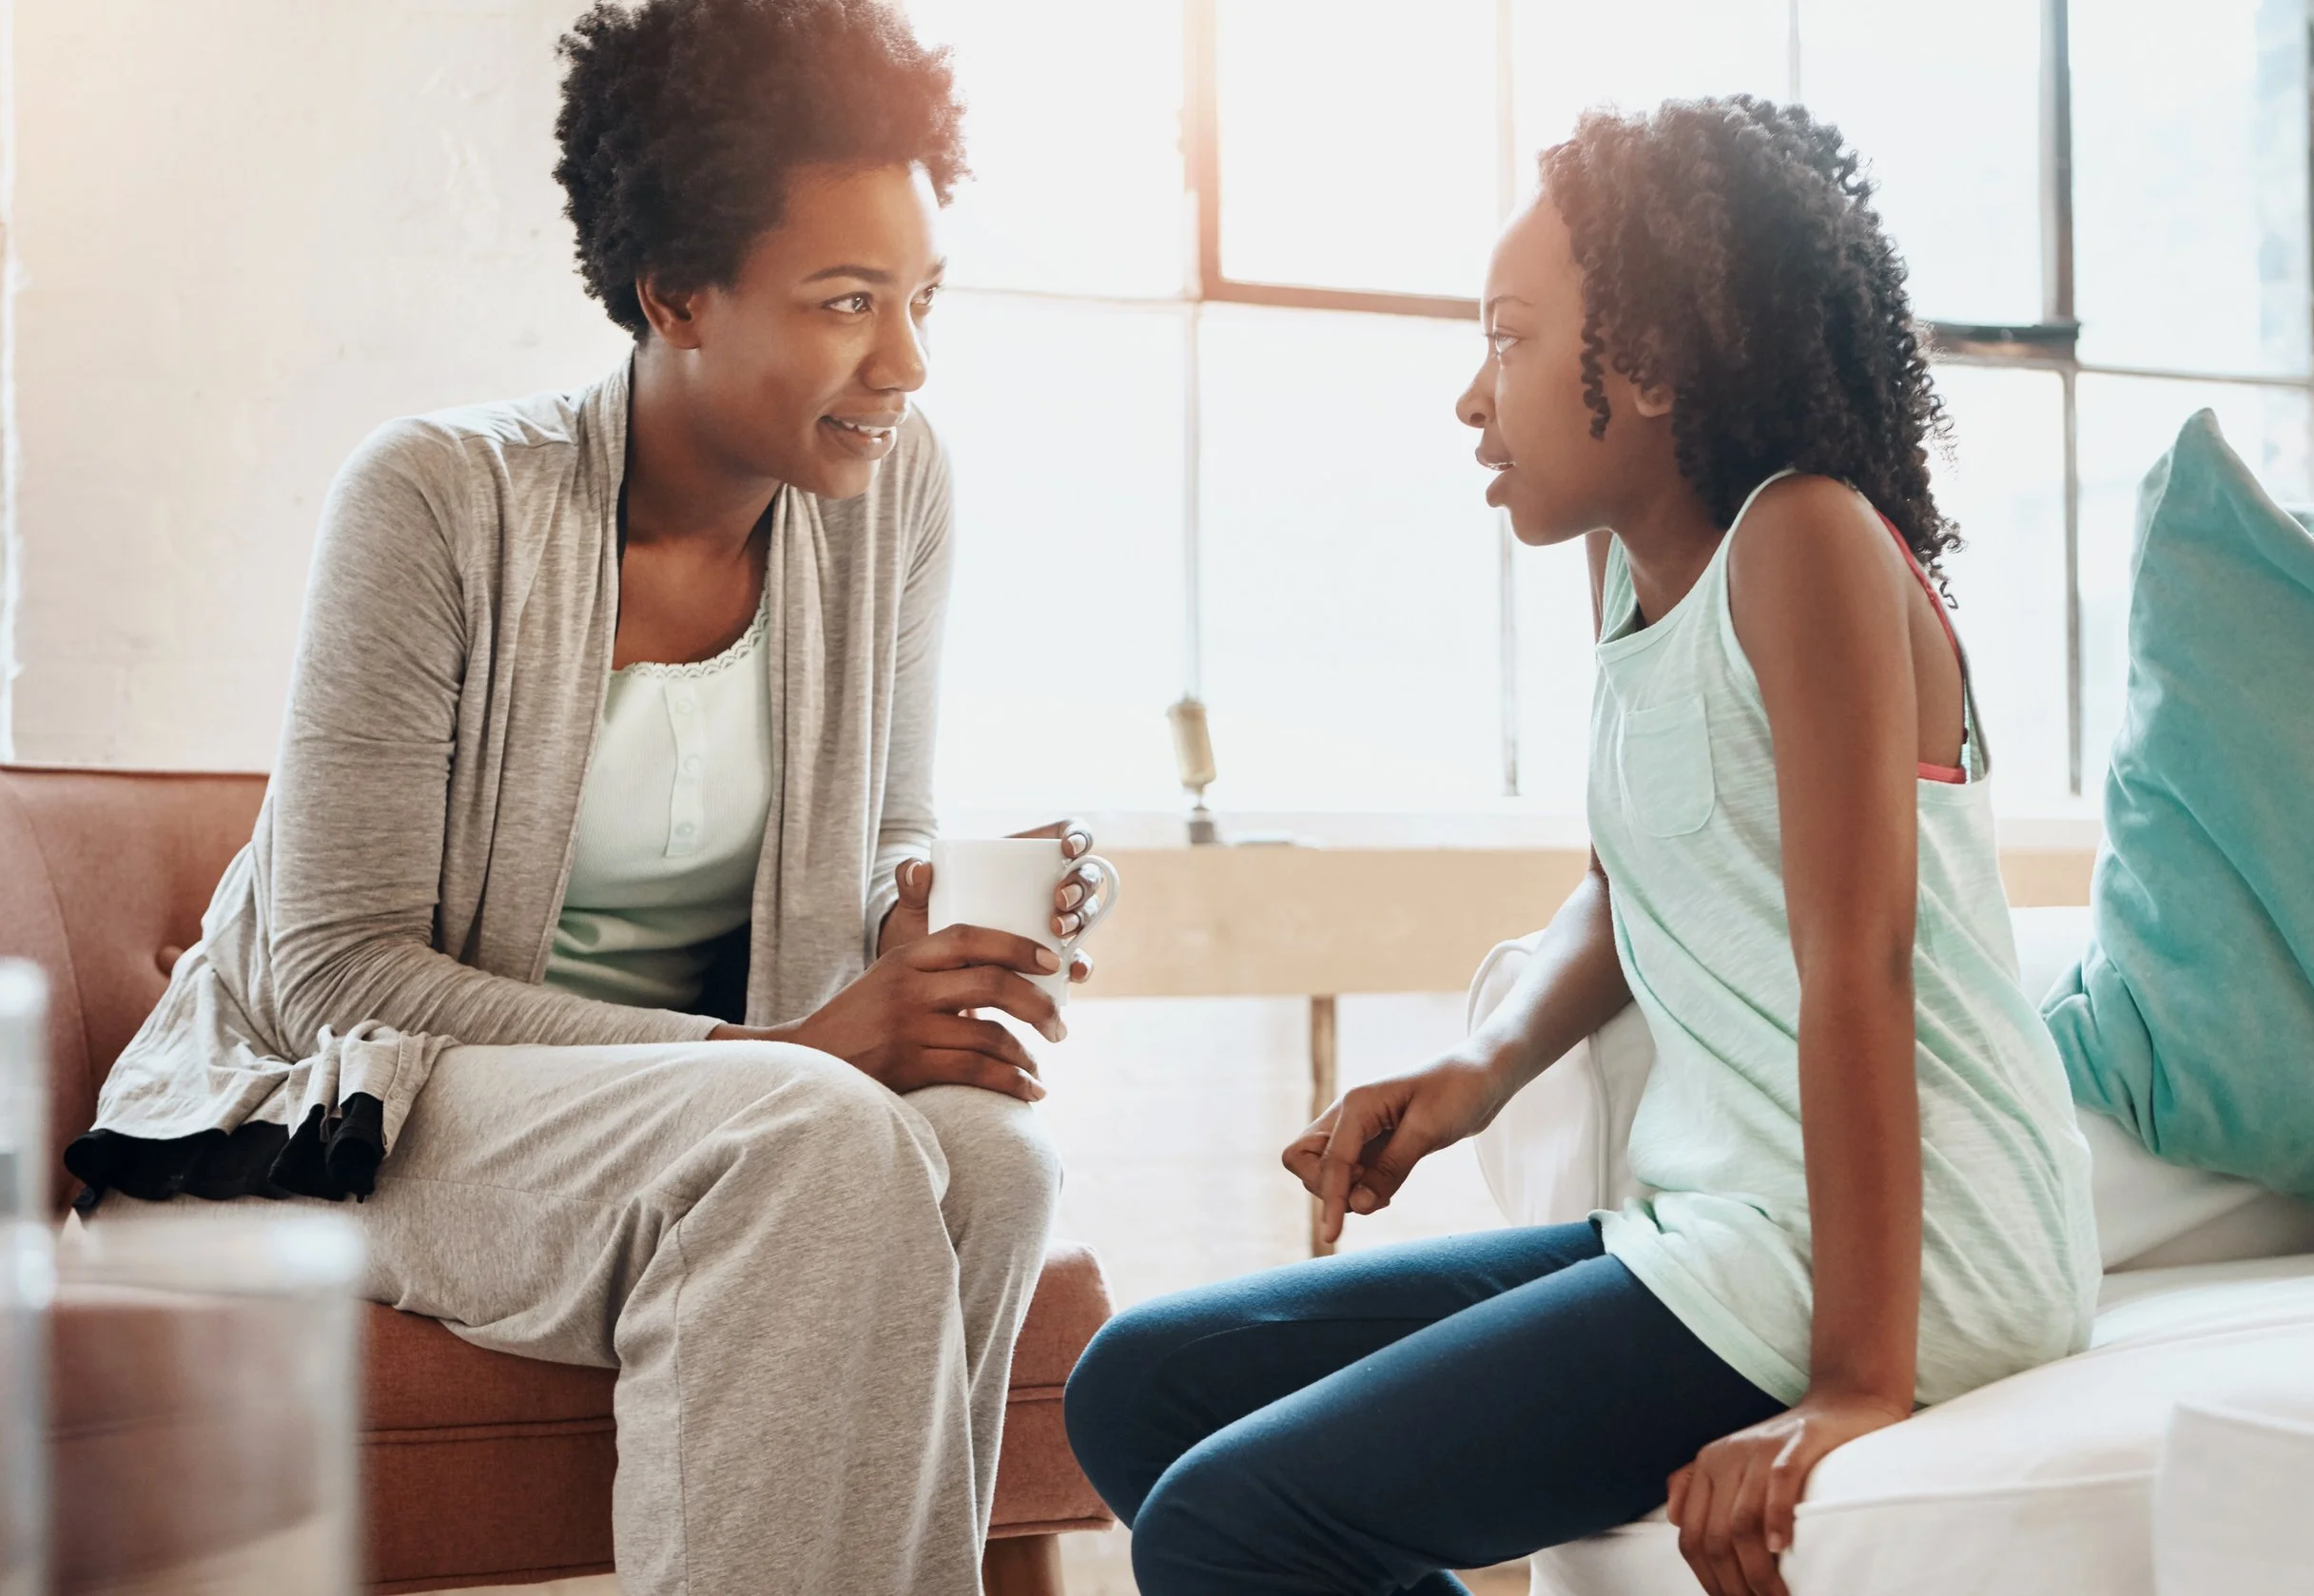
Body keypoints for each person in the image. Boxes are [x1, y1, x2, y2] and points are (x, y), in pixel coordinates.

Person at [66, 3, 1104, 1591]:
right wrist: (781, 1053)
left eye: (919, 299)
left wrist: (920, 906)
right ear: (672, 290)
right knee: (814, 1133)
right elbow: (332, 973)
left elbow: (881, 815)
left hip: (715, 1109)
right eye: (846, 304)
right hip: (358, 1107)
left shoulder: (893, 490)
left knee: (994, 1155)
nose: (903, 362)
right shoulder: (436, 499)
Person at [1064, 97, 2098, 1596]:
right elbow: (1629, 891)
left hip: (1914, 1261)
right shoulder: (1626, 570)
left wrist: (1854, 1387)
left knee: (1226, 1525)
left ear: (1656, 368)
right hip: (1719, 1229)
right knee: (1138, 1389)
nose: (1470, 402)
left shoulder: (1805, 540)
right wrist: (1476, 1073)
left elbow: (1857, 966)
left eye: (1507, 340)